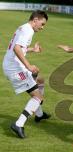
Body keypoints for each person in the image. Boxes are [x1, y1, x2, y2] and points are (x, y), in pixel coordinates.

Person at [2, 10, 51, 139]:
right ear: (35, 20)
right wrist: (28, 66)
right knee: (38, 98)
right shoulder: (27, 30)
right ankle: (18, 124)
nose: (42, 27)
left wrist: (32, 50)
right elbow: (16, 48)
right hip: (15, 69)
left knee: (39, 80)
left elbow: (19, 47)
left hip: (12, 66)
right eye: (42, 24)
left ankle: (39, 115)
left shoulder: (24, 28)